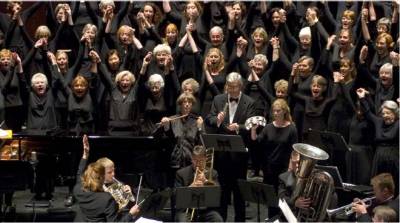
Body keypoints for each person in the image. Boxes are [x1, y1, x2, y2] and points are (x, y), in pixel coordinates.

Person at [205, 72, 256, 222]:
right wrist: (218, 120)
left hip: (239, 156)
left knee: (239, 193)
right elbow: (209, 119)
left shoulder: (249, 102)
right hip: (222, 155)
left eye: (235, 87)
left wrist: (239, 127)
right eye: (229, 87)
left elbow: (252, 123)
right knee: (222, 193)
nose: (232, 90)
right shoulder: (218, 99)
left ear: (240, 86)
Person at [74, 134, 140, 222]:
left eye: (114, 170)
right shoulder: (106, 199)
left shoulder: (78, 188)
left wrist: (85, 155)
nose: (113, 174)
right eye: (109, 172)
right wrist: (131, 214)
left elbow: (80, 172)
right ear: (100, 175)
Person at [175, 145, 223, 222]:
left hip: (206, 211)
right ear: (191, 159)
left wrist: (206, 182)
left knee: (217, 219)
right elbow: (176, 195)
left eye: (200, 161)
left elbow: (218, 192)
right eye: (195, 160)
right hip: (187, 210)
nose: (197, 164)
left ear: (205, 159)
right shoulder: (181, 173)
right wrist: (191, 187)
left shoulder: (213, 173)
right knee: (182, 220)